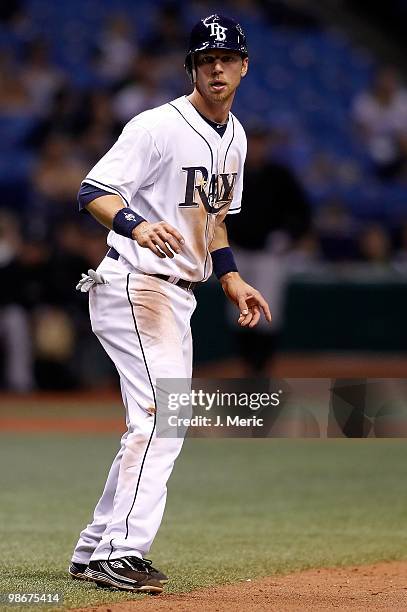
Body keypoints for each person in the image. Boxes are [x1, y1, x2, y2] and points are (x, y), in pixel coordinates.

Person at [68, 14, 271, 594]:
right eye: (206, 59)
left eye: (227, 58)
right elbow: (93, 191)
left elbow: (216, 221)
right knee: (160, 418)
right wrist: (136, 226)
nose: (216, 67)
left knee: (158, 419)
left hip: (176, 297)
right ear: (191, 67)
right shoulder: (158, 126)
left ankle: (94, 550)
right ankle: (119, 552)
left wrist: (230, 279)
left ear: (243, 67)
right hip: (134, 281)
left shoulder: (237, 137)